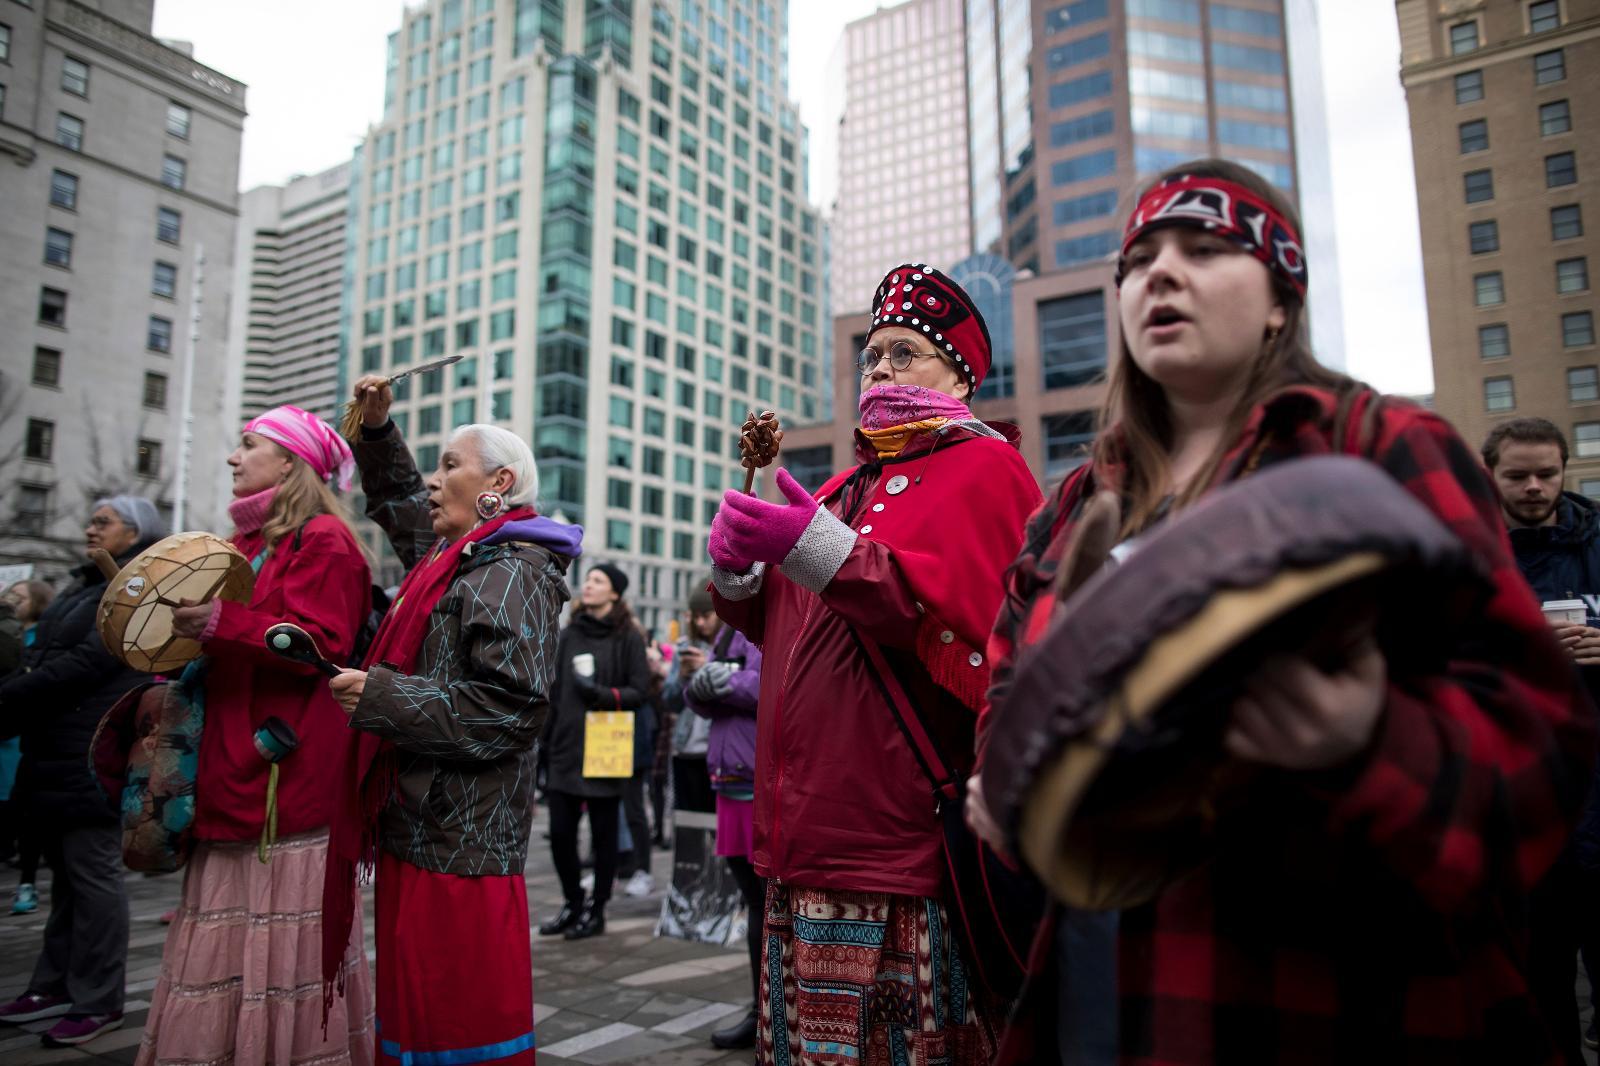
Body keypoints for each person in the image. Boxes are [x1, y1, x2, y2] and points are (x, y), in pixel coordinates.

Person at [970, 159, 1595, 1062]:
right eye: (1139, 260)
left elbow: (1541, 745)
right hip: (1106, 984)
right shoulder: (1076, 501)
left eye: (1205, 249)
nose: (1161, 274)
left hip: (1340, 987)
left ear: (1279, 300)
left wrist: (1369, 740)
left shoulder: (1380, 445)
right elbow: (1007, 686)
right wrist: (1012, 789)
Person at [708, 262, 1042, 1064]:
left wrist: (811, 545)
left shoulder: (987, 468)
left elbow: (952, 624)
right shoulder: (840, 484)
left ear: (961, 374)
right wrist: (733, 573)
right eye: (872, 357)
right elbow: (780, 627)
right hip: (802, 839)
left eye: (905, 353)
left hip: (896, 851)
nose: (881, 370)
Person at [328, 376, 578, 1066]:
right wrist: (377, 432)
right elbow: (401, 503)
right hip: (422, 827)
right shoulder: (456, 560)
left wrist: (381, 700)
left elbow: (508, 712)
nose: (435, 484)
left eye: (449, 468)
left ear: (498, 481)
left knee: (456, 1035)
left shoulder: (514, 571)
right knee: (414, 1027)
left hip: (461, 845)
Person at [135, 407, 376, 1066]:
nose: (233, 458)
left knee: (277, 957)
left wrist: (220, 623)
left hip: (280, 777)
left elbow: (320, 642)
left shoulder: (323, 539)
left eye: (248, 445)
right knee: (223, 948)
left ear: (291, 463)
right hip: (228, 770)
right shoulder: (241, 547)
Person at [0, 496, 165, 1047]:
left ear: (136, 532)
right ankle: (52, 986)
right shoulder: (81, 584)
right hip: (56, 748)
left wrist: (13, 699)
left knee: (93, 876)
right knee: (68, 878)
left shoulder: (137, 585)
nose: (91, 528)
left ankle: (98, 998)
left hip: (93, 751)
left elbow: (87, 662)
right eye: (91, 519)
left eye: (105, 521)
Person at [1482, 417, 1600, 1060]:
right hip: (1522, 810)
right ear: (1489, 475)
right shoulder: (1466, 556)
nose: (1534, 487)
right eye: (1517, 475)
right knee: (1542, 986)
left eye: (1547, 474)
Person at [538, 563, 651, 940]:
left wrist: (601, 695)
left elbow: (640, 692)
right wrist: (544, 744)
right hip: (565, 748)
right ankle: (573, 901)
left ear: (615, 593)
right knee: (560, 834)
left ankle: (597, 909)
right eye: (587, 579)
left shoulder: (629, 637)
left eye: (598, 581)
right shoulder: (568, 634)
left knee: (603, 839)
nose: (588, 585)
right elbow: (554, 691)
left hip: (605, 749)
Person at [681, 586, 764, 1051]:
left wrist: (724, 681)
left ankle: (769, 1010)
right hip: (730, 777)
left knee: (766, 901)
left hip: (759, 777)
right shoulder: (732, 627)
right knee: (753, 899)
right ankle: (760, 1009)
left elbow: (774, 681)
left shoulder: (768, 615)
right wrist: (699, 683)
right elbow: (698, 700)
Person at [1, 580, 54, 911]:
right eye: (9, 595)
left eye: (19, 597)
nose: (11, 601)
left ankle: (27, 882)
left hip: (23, 740)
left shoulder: (43, 639)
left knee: (21, 811)